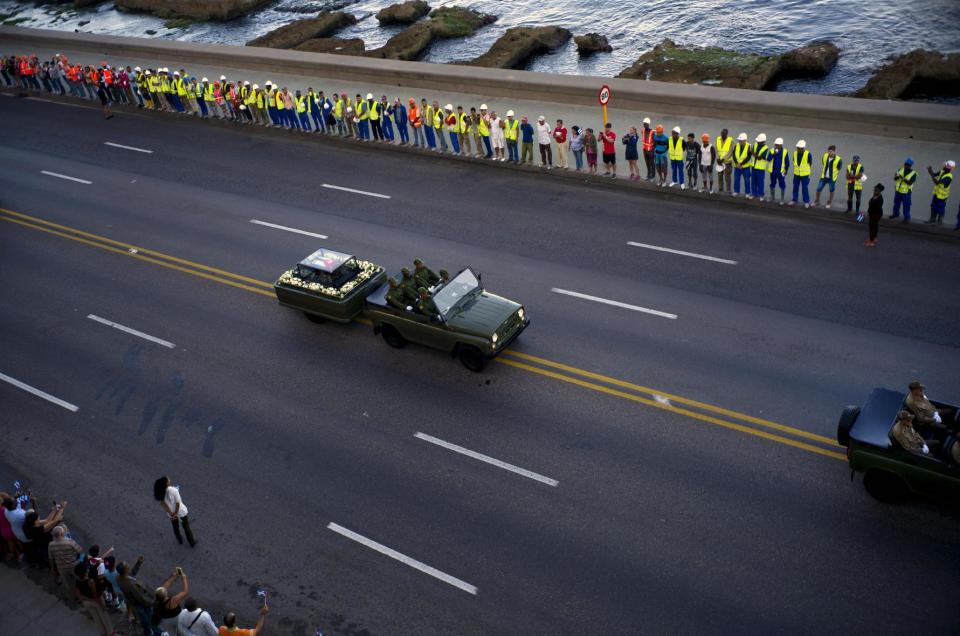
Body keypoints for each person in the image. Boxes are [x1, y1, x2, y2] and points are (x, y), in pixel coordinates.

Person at [117, 557, 155, 636]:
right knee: (146, 617)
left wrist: (138, 563)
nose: (128, 566)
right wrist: (150, 603)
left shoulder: (119, 578)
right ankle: (149, 631)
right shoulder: (130, 585)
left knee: (144, 616)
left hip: (133, 602)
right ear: (125, 570)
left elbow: (132, 573)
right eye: (127, 566)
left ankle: (148, 629)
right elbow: (140, 597)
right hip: (139, 603)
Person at [153, 477, 196, 547]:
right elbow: (178, 503)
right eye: (168, 479)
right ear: (166, 483)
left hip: (171, 514)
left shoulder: (161, 492)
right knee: (186, 527)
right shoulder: (173, 490)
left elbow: (163, 504)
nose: (169, 479)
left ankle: (179, 540)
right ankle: (191, 542)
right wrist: (176, 513)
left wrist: (171, 513)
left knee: (175, 527)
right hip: (181, 512)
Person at [74, 562, 115, 636]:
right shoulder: (90, 581)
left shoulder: (77, 580)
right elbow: (95, 595)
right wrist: (102, 605)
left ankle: (103, 633)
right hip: (96, 601)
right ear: (85, 572)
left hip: (86, 602)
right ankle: (110, 633)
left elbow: (77, 592)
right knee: (104, 617)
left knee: (96, 619)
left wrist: (83, 599)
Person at [152, 568, 189, 636]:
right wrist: (184, 578)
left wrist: (175, 575)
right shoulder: (172, 601)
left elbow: (167, 584)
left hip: (166, 619)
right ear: (165, 594)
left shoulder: (158, 597)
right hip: (177, 617)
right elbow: (185, 591)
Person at [48, 524, 82, 596]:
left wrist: (53, 568)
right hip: (73, 565)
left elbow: (51, 558)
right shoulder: (70, 542)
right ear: (61, 533)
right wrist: (80, 560)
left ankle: (76, 597)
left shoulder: (51, 545)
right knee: (80, 579)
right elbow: (80, 551)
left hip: (61, 568)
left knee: (69, 584)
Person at [925, 160, 954, 224]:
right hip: (936, 194)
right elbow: (934, 175)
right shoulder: (942, 171)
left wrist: (930, 173)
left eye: (945, 165)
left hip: (942, 196)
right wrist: (931, 171)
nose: (943, 166)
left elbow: (937, 183)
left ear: (948, 168)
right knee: (933, 206)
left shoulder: (949, 177)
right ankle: (932, 219)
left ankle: (939, 221)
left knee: (940, 208)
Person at [891, 157, 917, 222]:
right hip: (898, 191)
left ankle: (906, 218)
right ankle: (895, 214)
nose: (906, 166)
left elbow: (910, 183)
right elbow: (895, 179)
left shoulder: (913, 173)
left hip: (906, 193)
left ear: (910, 166)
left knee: (906, 205)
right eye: (905, 164)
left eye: (908, 165)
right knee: (896, 204)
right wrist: (896, 177)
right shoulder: (900, 169)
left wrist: (901, 178)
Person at [767, 137, 790, 205]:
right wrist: (773, 154)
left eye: (777, 145)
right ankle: (772, 197)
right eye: (775, 144)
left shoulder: (785, 151)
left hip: (781, 172)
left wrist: (786, 170)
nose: (776, 146)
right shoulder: (771, 150)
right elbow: (768, 159)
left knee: (782, 185)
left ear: (781, 145)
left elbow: (787, 163)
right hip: (773, 171)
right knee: (772, 184)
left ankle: (782, 199)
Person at [790, 140, 812, 208]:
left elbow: (810, 163)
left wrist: (805, 170)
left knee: (804, 188)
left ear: (803, 148)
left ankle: (806, 201)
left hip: (805, 174)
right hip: (796, 173)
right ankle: (794, 200)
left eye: (800, 148)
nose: (799, 149)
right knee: (795, 187)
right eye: (798, 148)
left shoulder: (808, 154)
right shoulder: (795, 153)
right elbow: (794, 161)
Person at [732, 133, 753, 197]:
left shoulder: (749, 146)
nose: (739, 141)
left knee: (747, 180)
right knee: (736, 179)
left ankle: (747, 192)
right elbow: (734, 155)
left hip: (745, 167)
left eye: (740, 140)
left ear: (744, 140)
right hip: (737, 166)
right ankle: (736, 191)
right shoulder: (737, 145)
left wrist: (740, 164)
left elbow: (748, 157)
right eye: (739, 140)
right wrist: (736, 163)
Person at [715, 128, 733, 194]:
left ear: (727, 134)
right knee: (720, 176)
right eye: (722, 133)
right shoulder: (718, 139)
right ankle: (720, 189)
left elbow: (731, 151)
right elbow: (717, 149)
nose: (722, 134)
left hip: (727, 162)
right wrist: (717, 158)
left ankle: (728, 190)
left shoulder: (730, 140)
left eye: (724, 133)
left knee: (727, 177)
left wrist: (723, 159)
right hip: (719, 162)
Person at [752, 133, 770, 199]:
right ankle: (754, 194)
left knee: (760, 182)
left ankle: (761, 195)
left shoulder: (766, 148)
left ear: (763, 141)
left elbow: (760, 157)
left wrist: (752, 153)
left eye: (759, 141)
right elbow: (753, 153)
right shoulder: (755, 145)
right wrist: (753, 153)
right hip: (754, 166)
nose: (757, 142)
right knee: (753, 181)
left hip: (760, 168)